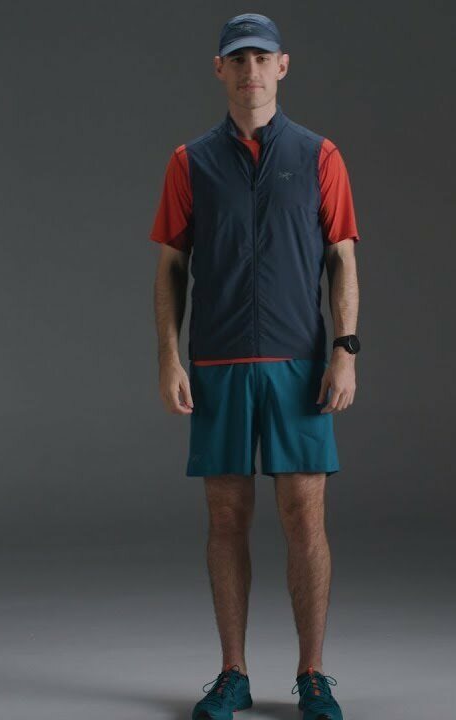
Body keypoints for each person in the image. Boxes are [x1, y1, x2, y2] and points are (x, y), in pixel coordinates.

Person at [148, 12, 362, 720]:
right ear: (219, 69)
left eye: (261, 58)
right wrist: (169, 357)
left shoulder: (320, 155)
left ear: (283, 65)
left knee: (305, 517)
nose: (250, 71)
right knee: (226, 518)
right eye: (237, 59)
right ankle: (232, 673)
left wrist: (344, 350)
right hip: (218, 363)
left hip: (299, 363)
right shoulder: (190, 161)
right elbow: (171, 266)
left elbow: (341, 258)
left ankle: (313, 675)